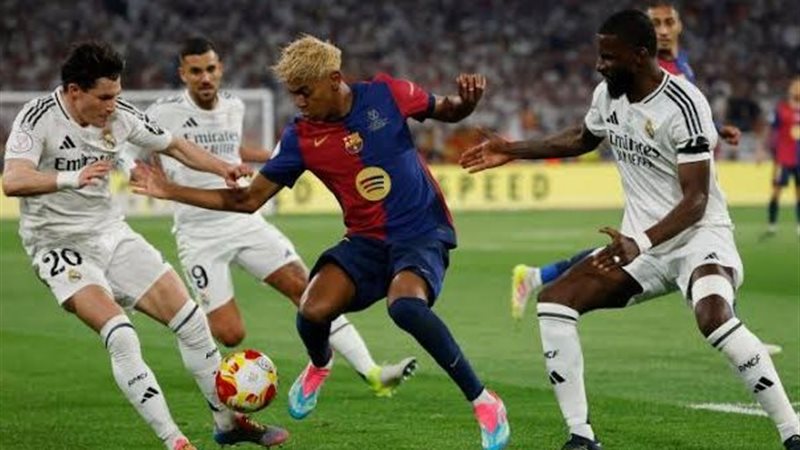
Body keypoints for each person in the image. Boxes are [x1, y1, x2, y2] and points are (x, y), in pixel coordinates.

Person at [130, 35, 510, 450]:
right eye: (292, 93)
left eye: (305, 92)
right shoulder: (301, 136)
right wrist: (169, 190)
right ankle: (320, 364)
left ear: (333, 79)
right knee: (311, 310)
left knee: (405, 307)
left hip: (421, 232)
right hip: (365, 241)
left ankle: (484, 401)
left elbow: (447, 110)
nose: (298, 102)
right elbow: (248, 200)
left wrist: (466, 104)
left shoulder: (387, 94)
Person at [460, 10, 799, 450]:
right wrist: (513, 149)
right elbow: (582, 138)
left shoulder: (684, 104)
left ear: (639, 55)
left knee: (713, 316)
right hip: (642, 248)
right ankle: (581, 436)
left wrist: (640, 241)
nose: (599, 65)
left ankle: (792, 432)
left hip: (699, 239)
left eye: (608, 57)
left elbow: (696, 199)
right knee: (555, 302)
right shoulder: (608, 95)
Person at [1, 42, 289, 450]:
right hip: (57, 245)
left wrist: (223, 166)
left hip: (111, 234)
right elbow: (13, 180)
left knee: (192, 322)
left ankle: (228, 424)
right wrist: (70, 178)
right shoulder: (38, 118)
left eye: (116, 95)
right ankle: (175, 441)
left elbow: (175, 146)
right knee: (121, 336)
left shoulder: (120, 116)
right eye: (104, 97)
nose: (112, 106)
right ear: (74, 91)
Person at [125, 36, 417, 398]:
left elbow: (230, 146)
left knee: (306, 289)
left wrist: (274, 158)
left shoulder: (233, 106)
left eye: (211, 69)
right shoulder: (163, 112)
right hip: (198, 233)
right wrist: (138, 171)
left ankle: (372, 372)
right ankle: (173, 315)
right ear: (182, 73)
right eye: (196, 71)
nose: (205, 77)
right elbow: (131, 145)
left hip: (245, 222)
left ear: (220, 69)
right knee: (231, 333)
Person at [508, 1, 744, 319]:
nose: (663, 30)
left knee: (640, 255)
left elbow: (683, 118)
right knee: (628, 254)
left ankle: (537, 275)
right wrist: (513, 150)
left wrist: (715, 129)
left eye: (669, 22)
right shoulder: (639, 71)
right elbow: (595, 133)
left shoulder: (680, 68)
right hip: (664, 200)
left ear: (679, 26)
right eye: (655, 23)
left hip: (685, 186)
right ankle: (538, 276)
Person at [762, 76, 800, 238]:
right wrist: (762, 149)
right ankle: (772, 225)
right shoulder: (781, 109)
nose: (797, 89)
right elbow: (771, 130)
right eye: (795, 86)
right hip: (783, 158)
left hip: (799, 159)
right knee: (776, 192)